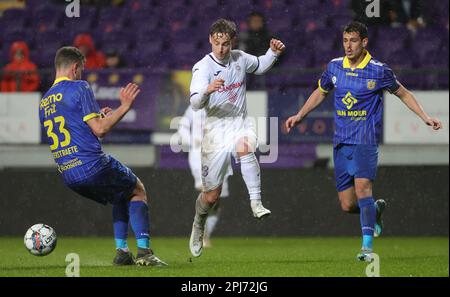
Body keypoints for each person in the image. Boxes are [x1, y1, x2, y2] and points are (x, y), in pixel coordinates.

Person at [285, 21, 442, 262]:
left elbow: (403, 93)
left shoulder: (379, 70)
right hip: (341, 142)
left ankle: (367, 248)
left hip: (365, 140)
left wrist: (425, 117)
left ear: (364, 42)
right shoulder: (334, 67)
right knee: (348, 205)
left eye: (353, 41)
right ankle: (374, 211)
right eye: (345, 40)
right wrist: (300, 114)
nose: (348, 45)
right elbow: (320, 92)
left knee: (363, 190)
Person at [39, 46, 167, 266]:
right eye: (81, 70)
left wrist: (99, 116)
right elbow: (100, 130)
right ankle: (145, 252)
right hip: (91, 165)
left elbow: (77, 129)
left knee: (120, 194)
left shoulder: (44, 102)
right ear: (75, 67)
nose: (82, 75)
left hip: (69, 174)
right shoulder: (79, 87)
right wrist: (124, 107)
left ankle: (122, 252)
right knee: (137, 190)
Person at [188, 18, 285, 257]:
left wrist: (272, 53)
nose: (221, 49)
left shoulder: (239, 58)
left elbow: (260, 65)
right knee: (211, 196)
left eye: (225, 44)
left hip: (239, 124)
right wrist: (207, 91)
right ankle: (199, 223)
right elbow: (194, 102)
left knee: (246, 146)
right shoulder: (203, 67)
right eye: (217, 43)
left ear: (231, 42)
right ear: (211, 40)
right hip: (214, 131)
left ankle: (256, 202)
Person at [177, 105, 232, 248]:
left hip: (220, 156)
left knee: (216, 201)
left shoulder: (223, 106)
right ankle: (200, 231)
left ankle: (205, 235)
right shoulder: (194, 108)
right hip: (199, 156)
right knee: (207, 194)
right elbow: (182, 125)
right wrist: (190, 141)